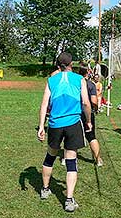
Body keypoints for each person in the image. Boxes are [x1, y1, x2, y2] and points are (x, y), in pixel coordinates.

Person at [37, 52, 92, 213]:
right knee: (71, 160)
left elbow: (44, 104)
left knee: (50, 156)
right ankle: (68, 199)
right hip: (73, 123)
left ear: (57, 65)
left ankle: (45, 190)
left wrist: (41, 125)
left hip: (54, 124)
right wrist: (88, 120)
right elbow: (86, 103)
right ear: (71, 64)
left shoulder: (51, 80)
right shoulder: (79, 79)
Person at [79, 65, 103, 166]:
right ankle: (98, 160)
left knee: (71, 136)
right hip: (88, 113)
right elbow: (93, 101)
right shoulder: (91, 85)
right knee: (91, 136)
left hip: (76, 113)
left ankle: (66, 158)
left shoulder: (75, 84)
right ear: (87, 73)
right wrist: (96, 108)